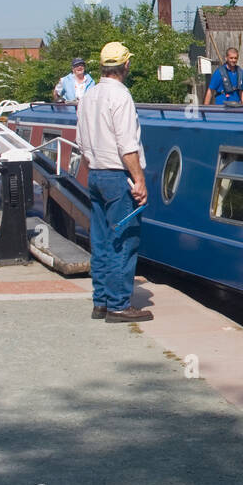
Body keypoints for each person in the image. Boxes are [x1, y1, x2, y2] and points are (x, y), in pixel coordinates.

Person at [76, 42, 152, 323]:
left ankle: (101, 302)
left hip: (94, 173)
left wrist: (93, 171)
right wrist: (139, 180)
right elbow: (127, 146)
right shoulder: (121, 97)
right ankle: (120, 305)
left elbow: (81, 144)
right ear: (125, 65)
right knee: (124, 239)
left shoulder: (88, 95)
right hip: (118, 176)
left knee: (101, 240)